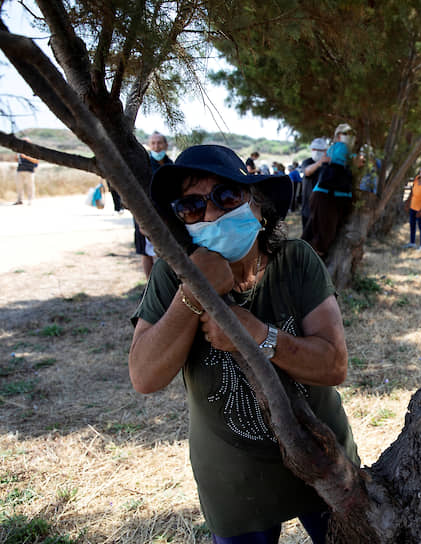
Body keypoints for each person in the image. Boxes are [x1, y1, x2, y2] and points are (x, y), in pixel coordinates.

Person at [129, 144, 358, 544]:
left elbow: (334, 365)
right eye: (192, 207)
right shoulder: (172, 276)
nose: (212, 214)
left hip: (324, 460)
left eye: (226, 196)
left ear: (257, 205)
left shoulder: (296, 260)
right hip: (235, 484)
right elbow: (145, 377)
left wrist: (257, 334)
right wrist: (193, 294)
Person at [303, 125, 355, 257]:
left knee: (317, 232)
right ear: (338, 135)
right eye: (346, 133)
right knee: (323, 235)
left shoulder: (335, 150)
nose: (348, 136)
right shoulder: (339, 148)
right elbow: (308, 171)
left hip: (328, 197)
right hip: (328, 197)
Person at [135, 131, 174, 279]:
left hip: (166, 214)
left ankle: (164, 283)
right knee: (146, 251)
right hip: (144, 213)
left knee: (165, 251)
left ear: (166, 145)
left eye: (159, 143)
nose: (156, 146)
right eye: (153, 143)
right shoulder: (143, 165)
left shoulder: (171, 165)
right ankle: (149, 287)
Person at [300, 138, 329, 231]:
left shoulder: (328, 165)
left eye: (320, 150)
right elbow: (307, 171)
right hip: (307, 209)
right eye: (314, 149)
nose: (316, 152)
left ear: (325, 151)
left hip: (322, 209)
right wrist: (320, 163)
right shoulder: (307, 162)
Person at [14, 139, 39, 206]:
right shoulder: (20, 150)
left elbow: (36, 161)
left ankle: (31, 200)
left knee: (30, 186)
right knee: (19, 186)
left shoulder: (33, 151)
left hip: (29, 171)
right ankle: (19, 200)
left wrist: (26, 157)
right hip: (20, 170)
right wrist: (16, 156)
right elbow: (17, 160)